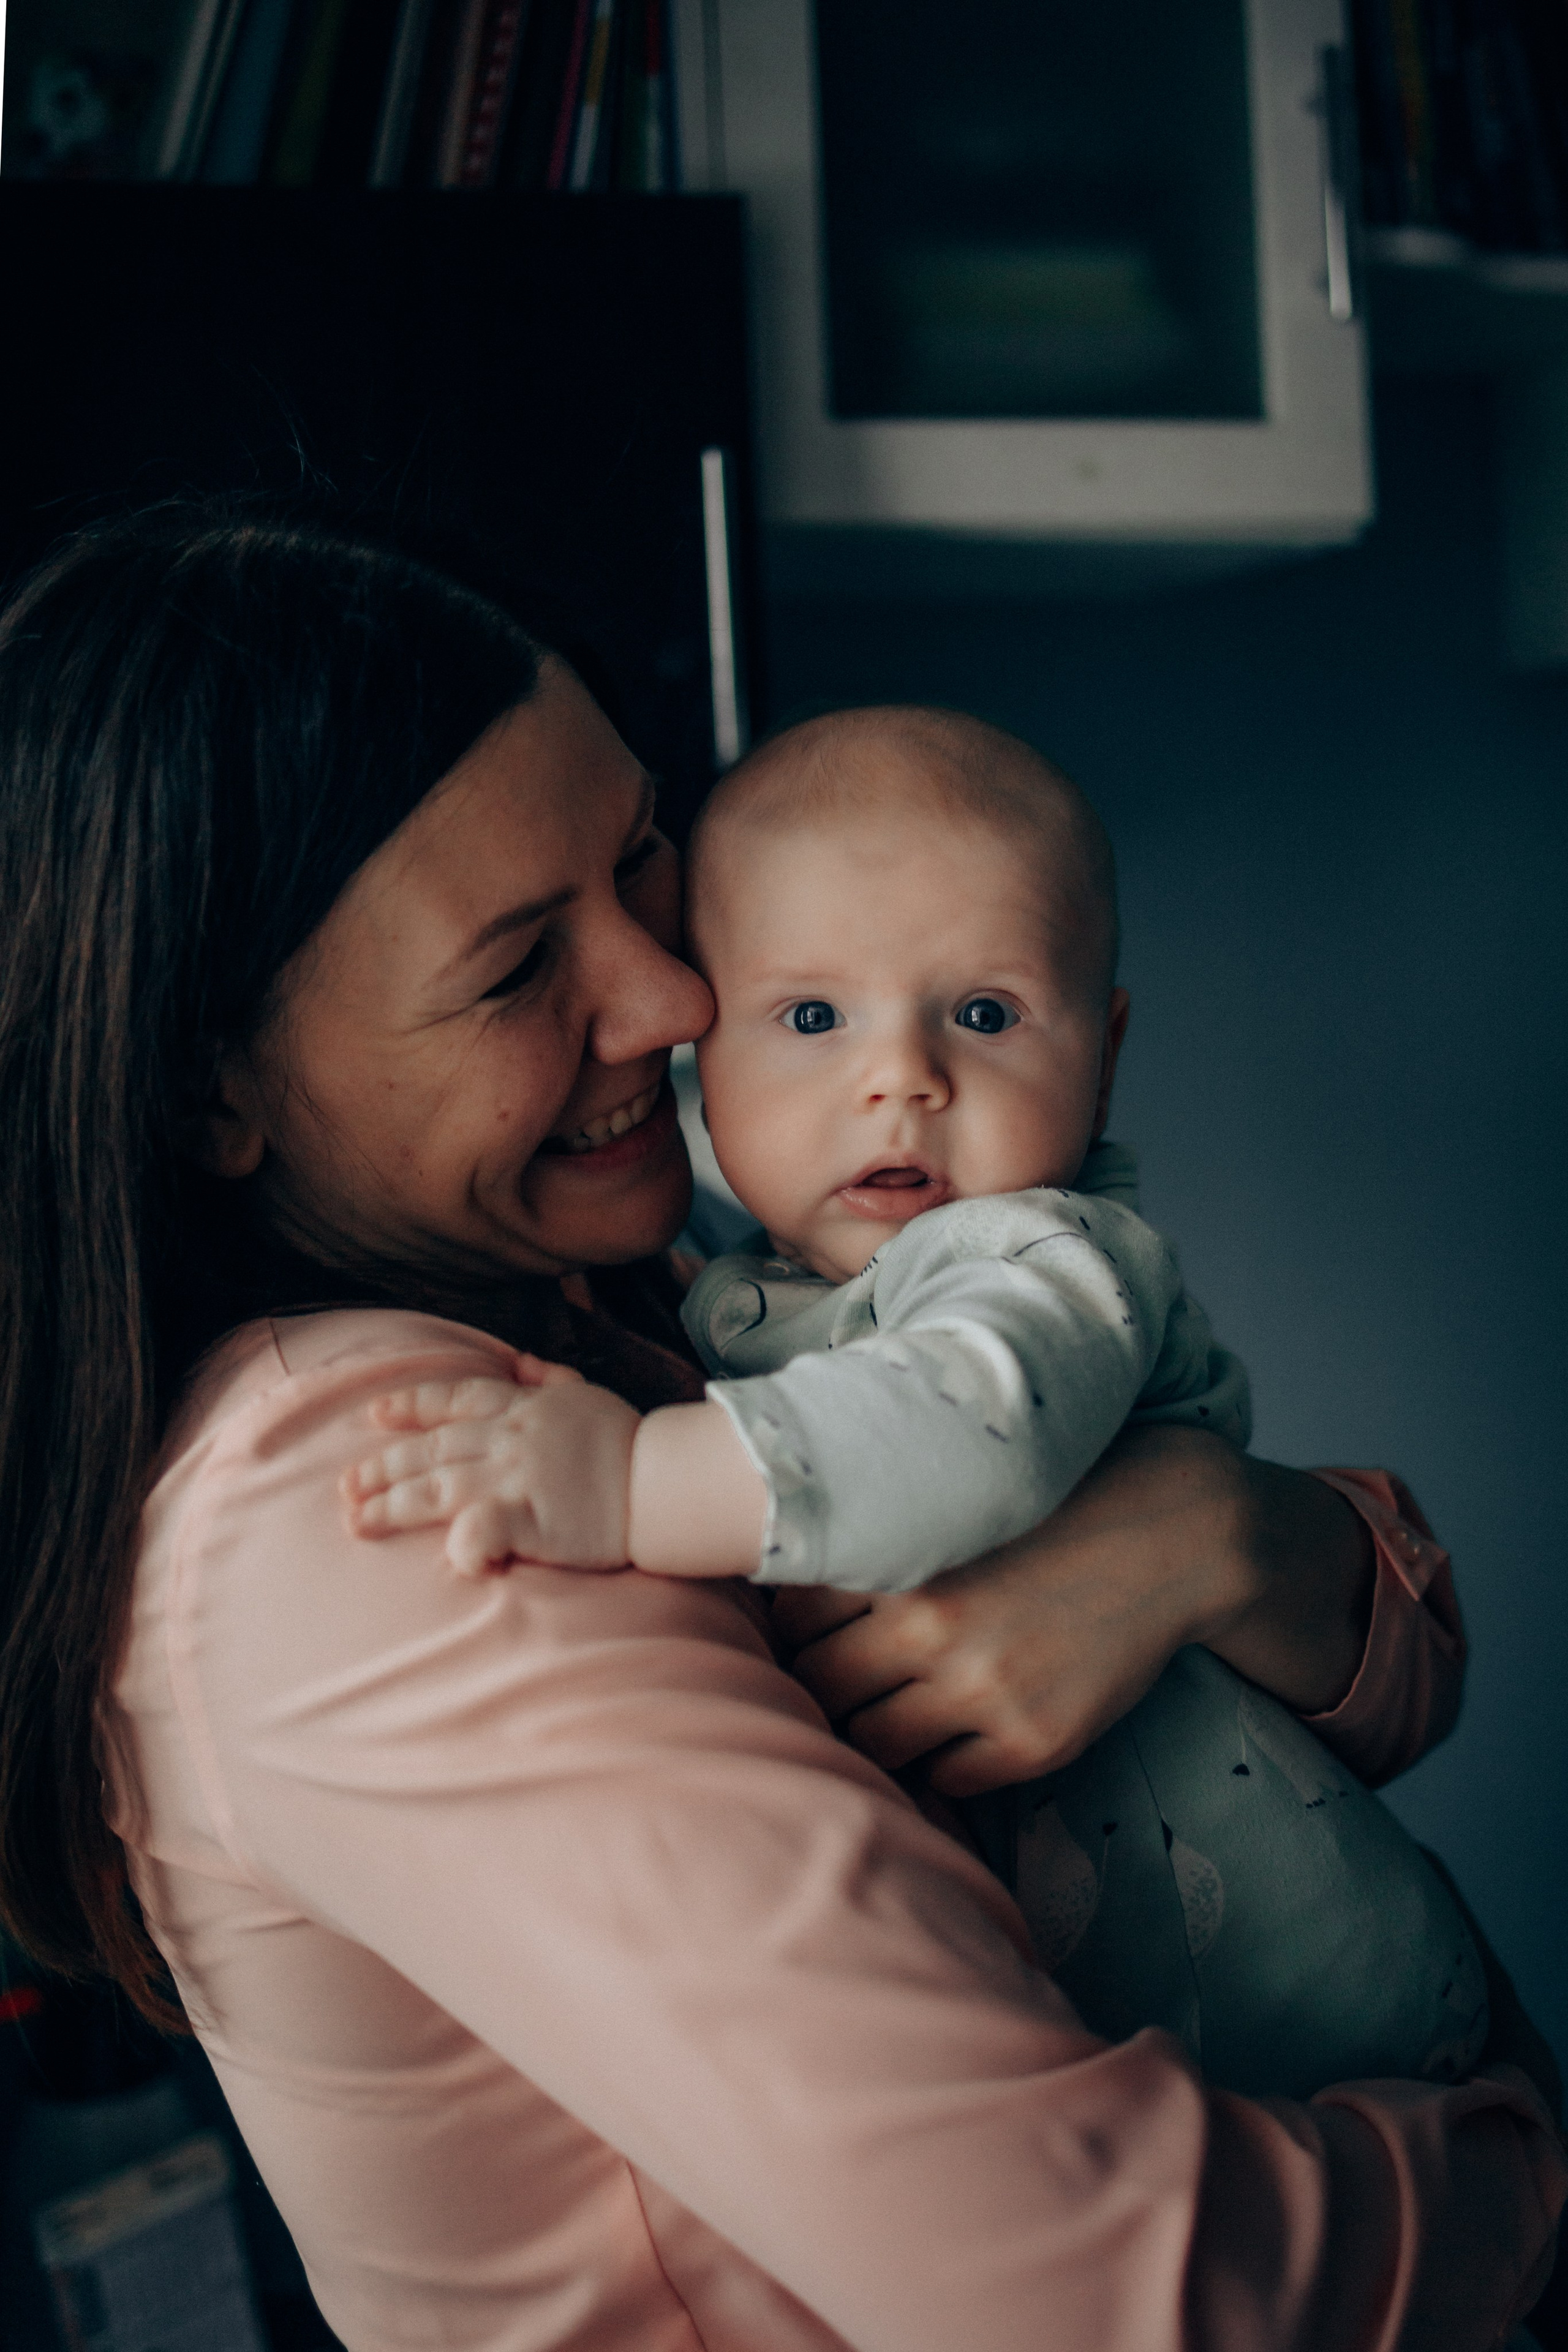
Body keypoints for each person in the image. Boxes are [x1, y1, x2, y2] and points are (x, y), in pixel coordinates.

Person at [0, 504, 1559, 2352]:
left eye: (641, 853)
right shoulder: (365, 1501)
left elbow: (1395, 1649)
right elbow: (1094, 2289)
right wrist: (1513, 2184)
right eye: (516, 969)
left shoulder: (623, 1301)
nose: (674, 999)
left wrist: (1206, 1536)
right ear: (215, 1092)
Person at [342, 704, 1491, 2102]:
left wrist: (630, 1483)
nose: (901, 1078)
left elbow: (959, 1435)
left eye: (985, 1014)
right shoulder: (724, 1281)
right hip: (1136, 2056)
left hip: (1325, 2023)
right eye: (812, 1017)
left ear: (1104, 1055)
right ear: (713, 1050)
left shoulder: (1037, 1261)